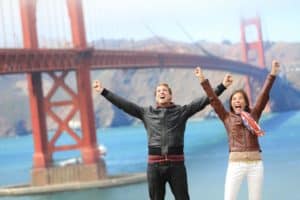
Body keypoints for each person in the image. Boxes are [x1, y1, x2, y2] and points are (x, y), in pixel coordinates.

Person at [93, 73, 233, 200]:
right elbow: (123, 104)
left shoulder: (181, 112)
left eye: (164, 91)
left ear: (170, 96)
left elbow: (204, 101)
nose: (161, 92)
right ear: (155, 97)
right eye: (159, 91)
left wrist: (222, 86)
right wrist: (103, 92)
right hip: (154, 167)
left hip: (176, 166)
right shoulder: (146, 113)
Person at [195, 60, 280, 200]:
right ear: (231, 103)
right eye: (234, 99)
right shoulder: (226, 117)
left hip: (256, 164)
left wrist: (272, 74)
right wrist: (202, 79)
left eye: (240, 98)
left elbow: (264, 95)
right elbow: (213, 99)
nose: (237, 101)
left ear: (246, 102)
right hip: (236, 164)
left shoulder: (254, 114)